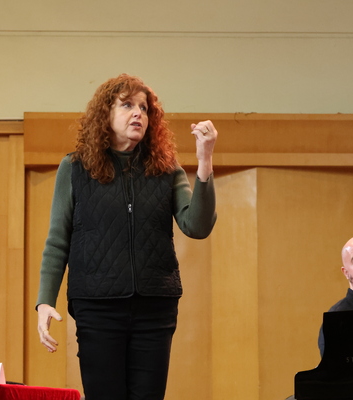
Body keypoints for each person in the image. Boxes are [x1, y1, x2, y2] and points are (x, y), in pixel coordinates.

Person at [35, 73, 218, 400]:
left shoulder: (166, 169)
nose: (138, 114)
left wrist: (205, 160)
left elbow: (197, 226)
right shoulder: (75, 168)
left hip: (155, 307)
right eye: (127, 105)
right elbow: (58, 239)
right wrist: (45, 301)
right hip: (97, 305)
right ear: (105, 114)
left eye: (144, 108)